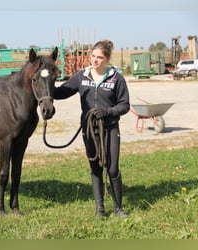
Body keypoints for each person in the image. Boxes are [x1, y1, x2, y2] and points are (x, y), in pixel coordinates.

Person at [53, 40, 130, 219]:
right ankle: (100, 209)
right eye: (93, 56)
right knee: (95, 168)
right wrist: (45, 81)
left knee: (112, 169)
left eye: (100, 57)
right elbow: (60, 93)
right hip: (89, 130)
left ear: (107, 59)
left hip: (110, 128)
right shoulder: (81, 76)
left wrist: (107, 112)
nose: (95, 60)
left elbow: (125, 105)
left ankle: (118, 208)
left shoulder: (116, 78)